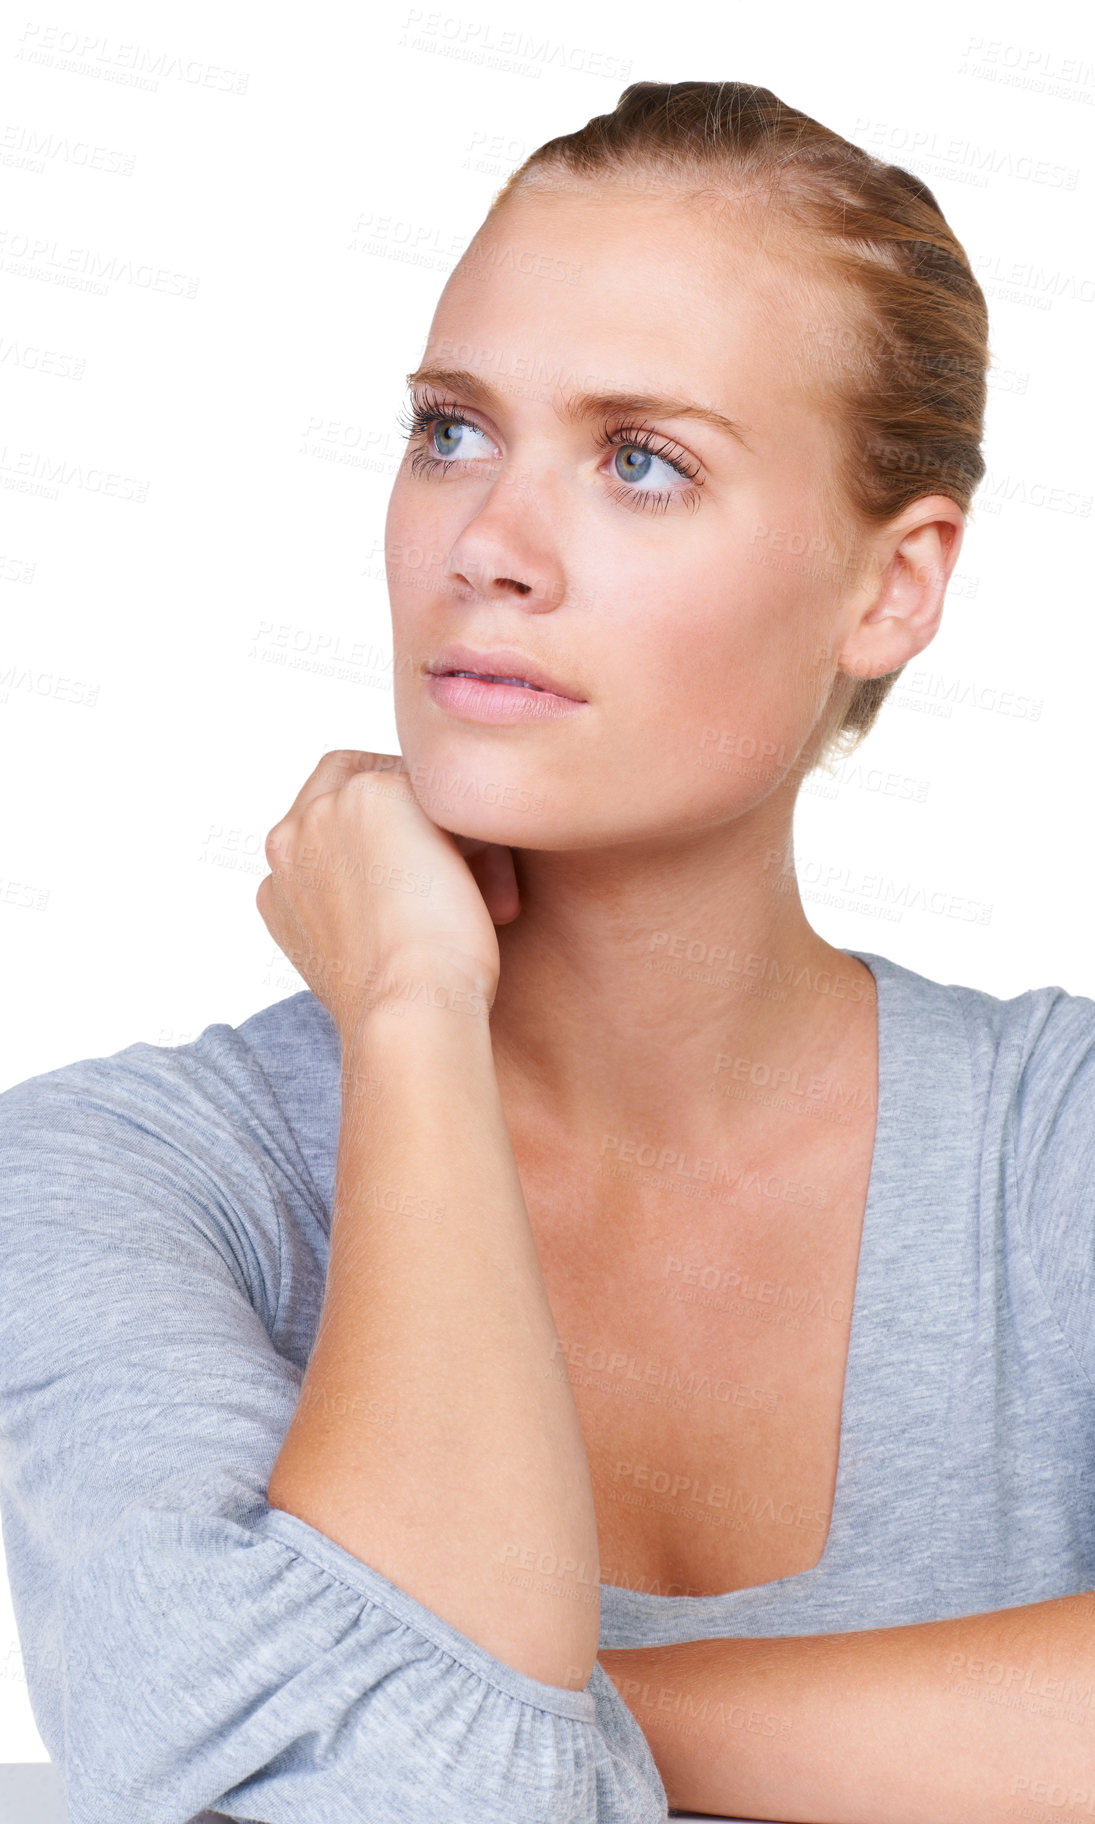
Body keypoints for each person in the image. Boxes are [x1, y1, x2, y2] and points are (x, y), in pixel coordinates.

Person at [2, 78, 1093, 1824]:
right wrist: (411, 1014)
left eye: (643, 460)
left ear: (893, 587)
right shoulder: (112, 1182)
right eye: (449, 431)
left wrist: (567, 1719)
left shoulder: (1058, 1157)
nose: (486, 548)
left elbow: (431, 1751)